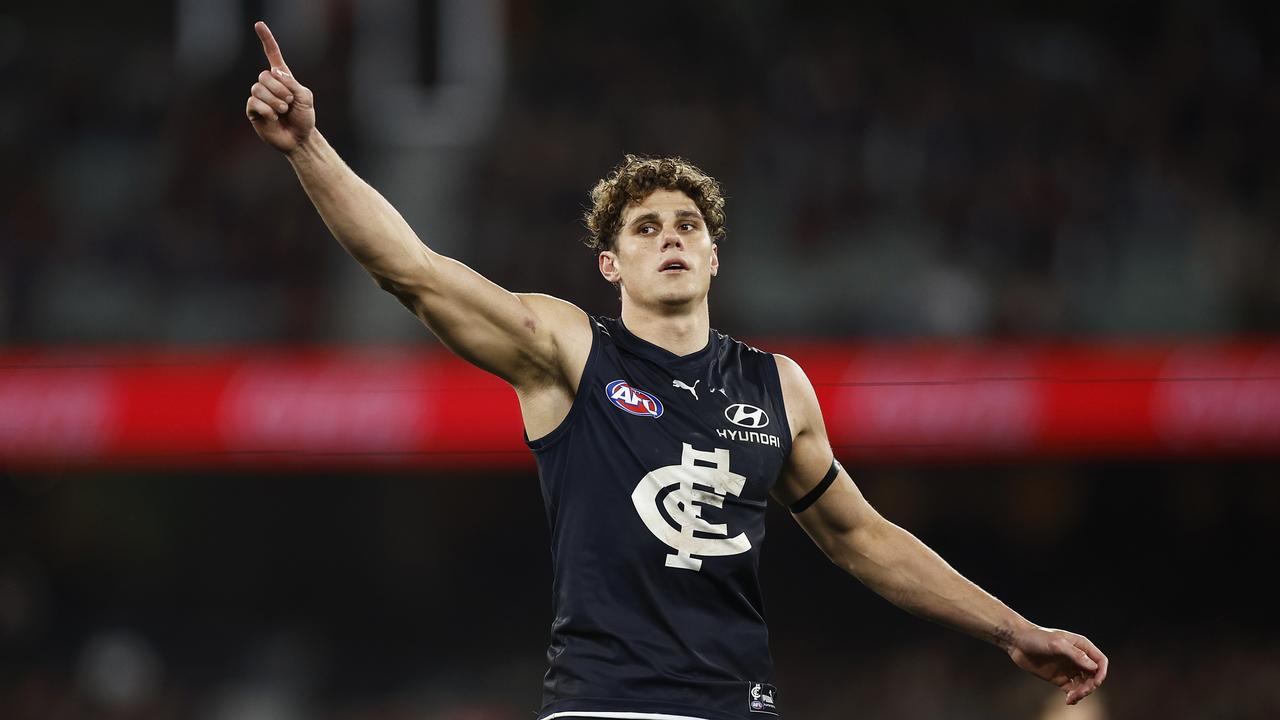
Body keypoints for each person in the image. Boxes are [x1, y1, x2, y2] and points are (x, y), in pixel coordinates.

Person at [245, 20, 1108, 720]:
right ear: (610, 266)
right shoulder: (568, 352)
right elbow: (415, 270)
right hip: (608, 707)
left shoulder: (778, 387)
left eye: (688, 225)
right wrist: (306, 149)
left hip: (740, 707)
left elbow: (860, 537)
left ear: (716, 257)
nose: (671, 237)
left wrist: (1009, 631)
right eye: (647, 227)